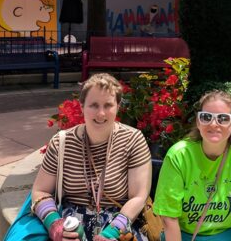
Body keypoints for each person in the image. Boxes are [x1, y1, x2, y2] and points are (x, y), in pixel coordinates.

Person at [32, 73, 152, 240]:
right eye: (94, 105)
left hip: (119, 223)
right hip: (70, 226)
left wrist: (113, 232)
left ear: (118, 106)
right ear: (82, 106)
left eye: (108, 105)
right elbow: (40, 190)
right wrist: (55, 224)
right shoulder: (62, 143)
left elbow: (138, 196)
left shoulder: (133, 140)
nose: (101, 113)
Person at [154, 90, 231, 241]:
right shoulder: (179, 155)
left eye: (223, 118)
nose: (213, 124)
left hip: (229, 236)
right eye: (206, 117)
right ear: (198, 122)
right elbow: (169, 217)